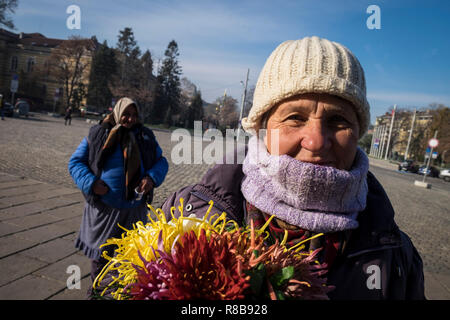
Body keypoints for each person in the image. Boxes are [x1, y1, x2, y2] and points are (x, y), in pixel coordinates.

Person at [161, 37, 425, 299]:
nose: (317, 141)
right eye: (294, 118)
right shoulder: (185, 219)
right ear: (261, 128)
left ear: (358, 132)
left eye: (338, 120)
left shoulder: (395, 256)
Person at [68, 97, 169, 298]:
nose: (130, 119)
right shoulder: (98, 134)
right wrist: (91, 183)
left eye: (134, 115)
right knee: (101, 257)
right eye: (126, 114)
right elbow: (76, 162)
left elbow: (161, 162)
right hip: (104, 210)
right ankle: (97, 292)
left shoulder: (145, 137)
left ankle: (122, 294)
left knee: (129, 259)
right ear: (116, 113)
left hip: (134, 211)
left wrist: (151, 177)